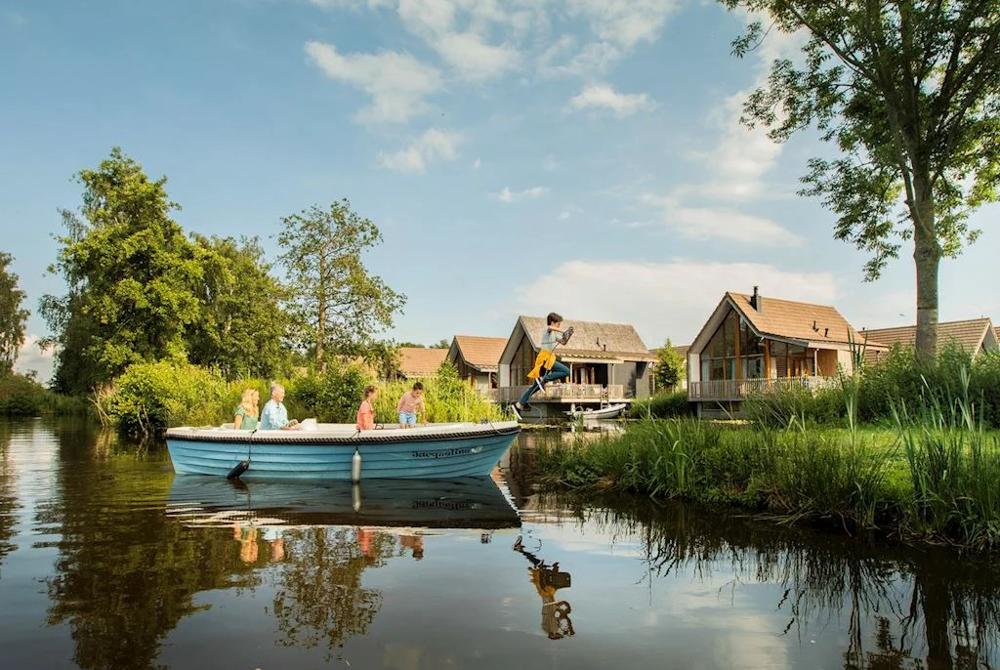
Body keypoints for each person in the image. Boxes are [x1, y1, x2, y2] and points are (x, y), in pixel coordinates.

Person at [514, 312, 572, 412]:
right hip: (545, 358)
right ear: (553, 322)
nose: (559, 326)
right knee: (566, 371)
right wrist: (563, 331)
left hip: (549, 359)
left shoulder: (554, 335)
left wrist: (567, 335)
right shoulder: (547, 330)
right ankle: (545, 378)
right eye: (558, 324)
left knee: (537, 386)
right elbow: (550, 328)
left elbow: (563, 342)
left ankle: (519, 404)